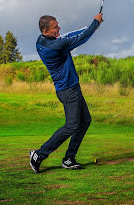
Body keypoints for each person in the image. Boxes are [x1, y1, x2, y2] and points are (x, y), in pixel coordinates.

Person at [29, 13, 103, 172]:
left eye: (57, 25)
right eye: (55, 27)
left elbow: (69, 35)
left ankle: (69, 158)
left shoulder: (42, 41)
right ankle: (39, 154)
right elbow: (79, 39)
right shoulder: (55, 46)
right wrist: (95, 23)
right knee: (72, 125)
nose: (59, 29)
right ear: (45, 30)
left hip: (71, 88)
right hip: (68, 90)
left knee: (85, 121)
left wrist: (91, 26)